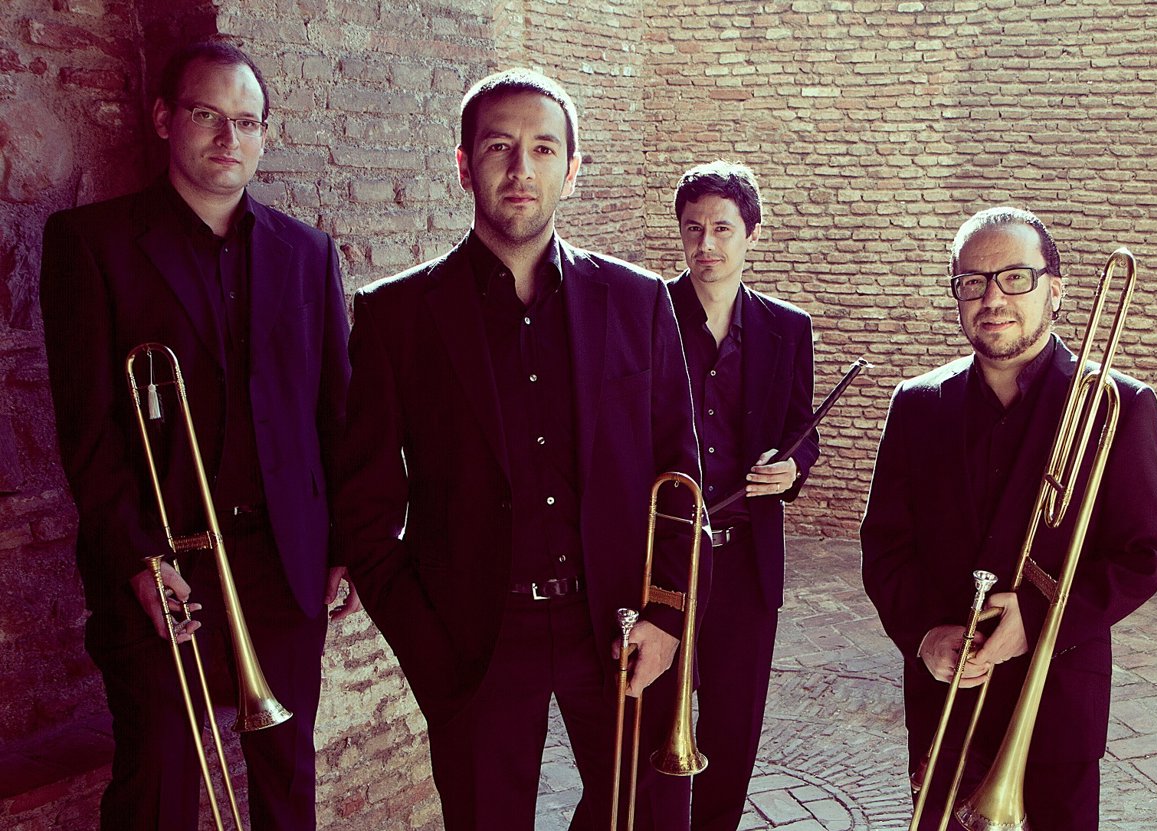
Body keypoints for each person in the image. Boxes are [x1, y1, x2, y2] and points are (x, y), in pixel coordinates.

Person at [333, 68, 708, 830]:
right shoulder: (394, 315)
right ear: (463, 164)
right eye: (498, 147)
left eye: (543, 149)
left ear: (572, 169)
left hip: (620, 626)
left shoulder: (638, 301)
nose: (520, 169)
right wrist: (429, 649)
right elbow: (365, 510)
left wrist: (668, 613)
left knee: (644, 818)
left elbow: (680, 471)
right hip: (477, 642)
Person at [39, 40, 356, 831]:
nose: (227, 137)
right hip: (161, 566)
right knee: (158, 782)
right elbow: (89, 432)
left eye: (247, 122)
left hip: (284, 565)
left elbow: (336, 412)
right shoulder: (90, 244)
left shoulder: (308, 253)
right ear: (163, 119)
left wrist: (344, 544)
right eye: (207, 114)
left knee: (287, 775)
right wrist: (139, 561)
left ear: (265, 135)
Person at [860, 207, 1157, 830]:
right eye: (972, 282)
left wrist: (1034, 619)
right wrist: (924, 635)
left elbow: (1146, 552)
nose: (992, 298)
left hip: (1056, 694)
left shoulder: (1118, 403)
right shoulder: (917, 405)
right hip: (946, 699)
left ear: (1055, 289)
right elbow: (886, 545)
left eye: (1014, 277)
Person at [665, 161, 819, 831]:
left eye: (722, 229)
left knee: (733, 727)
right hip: (664, 559)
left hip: (746, 563)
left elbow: (801, 431)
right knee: (653, 721)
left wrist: (790, 470)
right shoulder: (645, 313)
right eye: (693, 229)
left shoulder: (789, 327)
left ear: (751, 234)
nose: (706, 245)